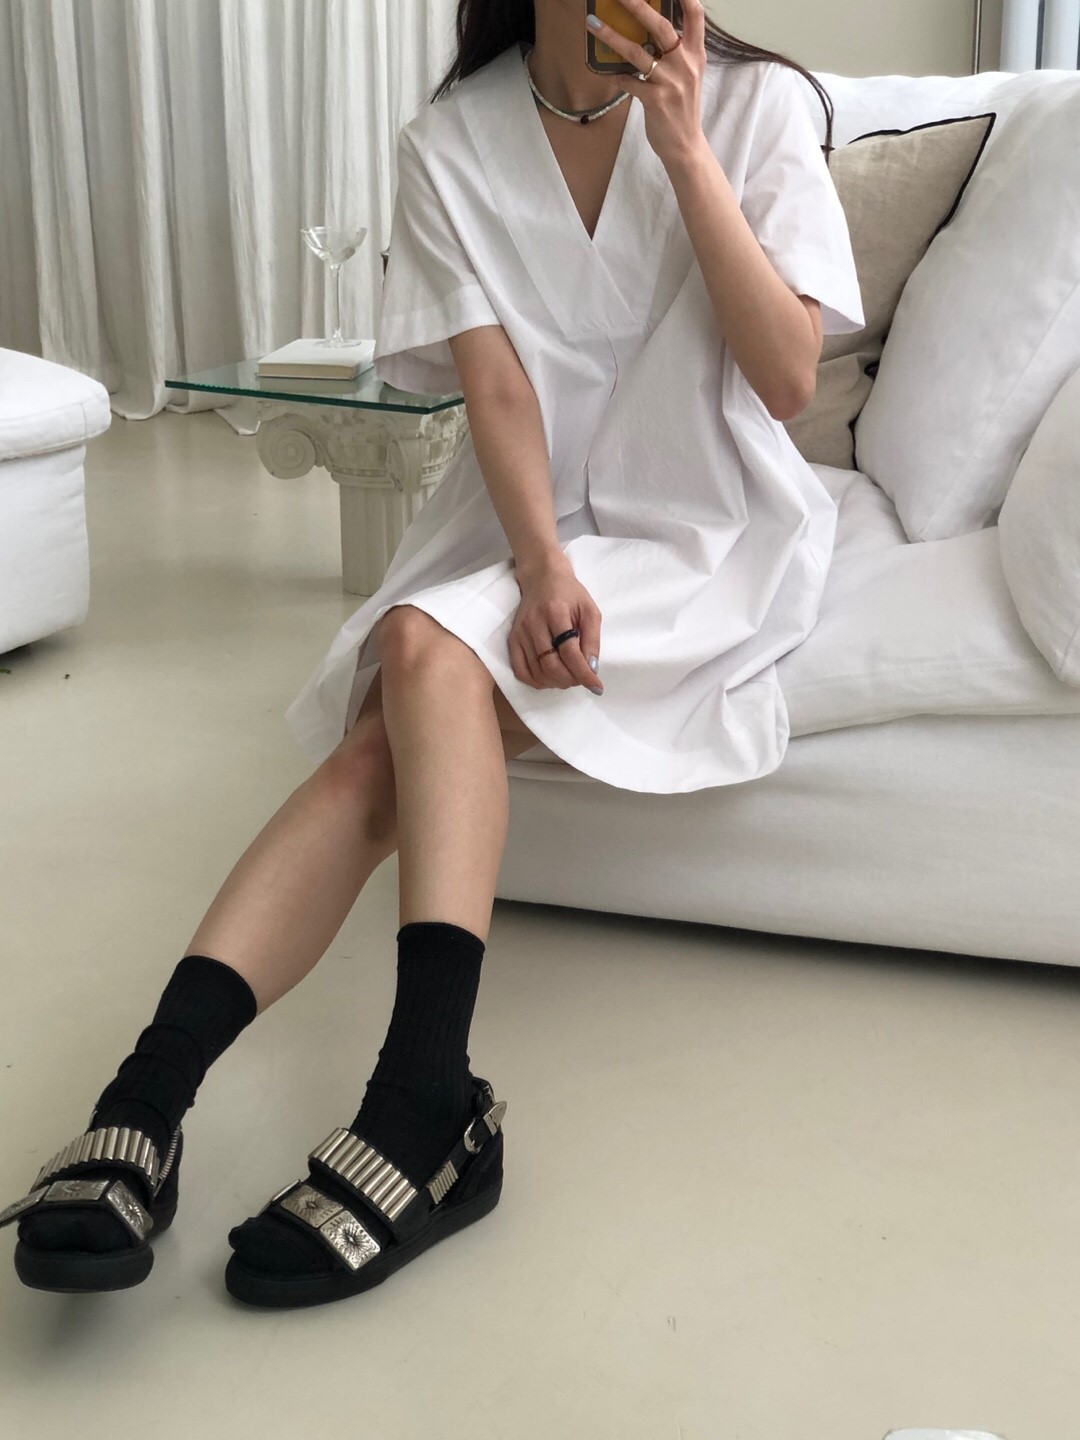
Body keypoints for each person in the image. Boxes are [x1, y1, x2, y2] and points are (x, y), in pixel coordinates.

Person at [1, 0, 864, 1309]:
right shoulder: (453, 140)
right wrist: (542, 563)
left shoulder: (758, 108)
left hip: (703, 527)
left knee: (414, 658)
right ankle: (186, 1101)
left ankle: (381, 1100)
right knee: (388, 733)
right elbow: (499, 385)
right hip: (523, 520)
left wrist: (687, 152)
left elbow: (790, 376)